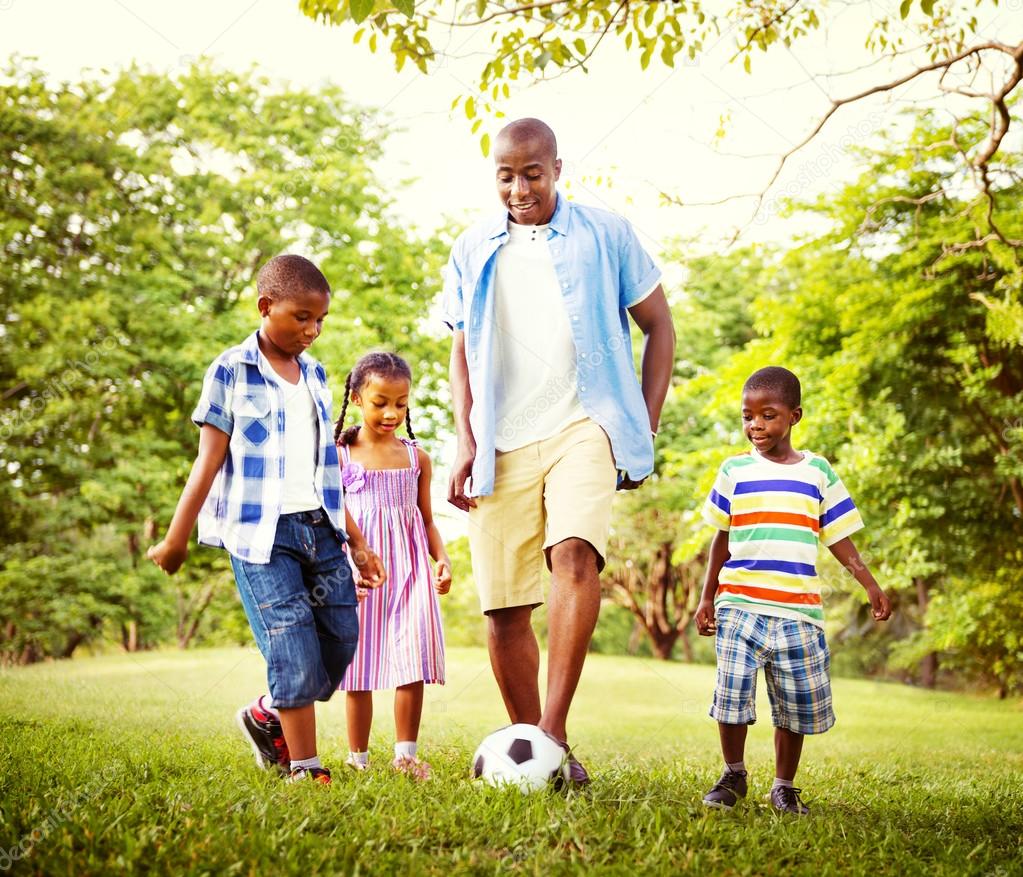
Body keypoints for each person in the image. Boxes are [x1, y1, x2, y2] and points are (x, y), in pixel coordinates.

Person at [442, 117, 676, 785]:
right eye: (505, 176)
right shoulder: (471, 248)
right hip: (501, 438)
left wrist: (642, 424)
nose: (519, 189)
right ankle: (538, 750)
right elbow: (460, 350)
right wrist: (465, 438)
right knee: (503, 607)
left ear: (557, 169)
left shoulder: (606, 234)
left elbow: (659, 326)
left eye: (532, 174)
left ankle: (552, 730)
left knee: (574, 554)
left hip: (585, 423)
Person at [147, 254, 386, 785]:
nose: (312, 330)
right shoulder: (230, 370)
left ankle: (266, 713)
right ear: (265, 306)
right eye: (302, 317)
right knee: (291, 643)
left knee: (341, 637)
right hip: (262, 537)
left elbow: (327, 470)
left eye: (320, 319)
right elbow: (207, 460)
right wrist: (176, 538)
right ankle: (305, 768)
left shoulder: (316, 375)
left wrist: (358, 542)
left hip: (320, 528)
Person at [695, 366, 892, 815]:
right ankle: (734, 774)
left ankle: (783, 786)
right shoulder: (734, 470)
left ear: (794, 416)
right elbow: (720, 539)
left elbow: (839, 536)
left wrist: (869, 583)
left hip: (798, 612)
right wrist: (707, 597)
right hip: (739, 605)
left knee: (794, 704)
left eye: (768, 415)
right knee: (731, 695)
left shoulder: (817, 471)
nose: (756, 425)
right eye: (748, 416)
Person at [332, 352, 450, 780]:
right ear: (356, 398)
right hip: (361, 574)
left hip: (411, 571)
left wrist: (442, 559)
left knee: (412, 658)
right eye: (380, 402)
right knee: (359, 666)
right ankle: (358, 757)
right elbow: (332, 517)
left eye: (401, 404)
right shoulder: (340, 456)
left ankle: (405, 755)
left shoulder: (417, 458)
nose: (391, 413)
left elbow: (427, 519)